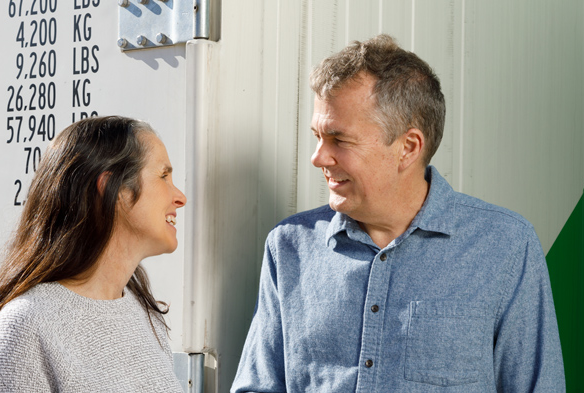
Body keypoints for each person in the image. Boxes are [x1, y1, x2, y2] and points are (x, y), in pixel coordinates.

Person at [231, 35, 565, 392]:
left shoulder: (504, 247)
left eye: (339, 140)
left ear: (407, 148)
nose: (318, 157)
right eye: (317, 136)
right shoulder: (289, 248)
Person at [0, 116, 186, 392]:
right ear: (114, 188)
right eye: (164, 176)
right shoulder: (25, 327)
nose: (180, 197)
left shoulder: (143, 312)